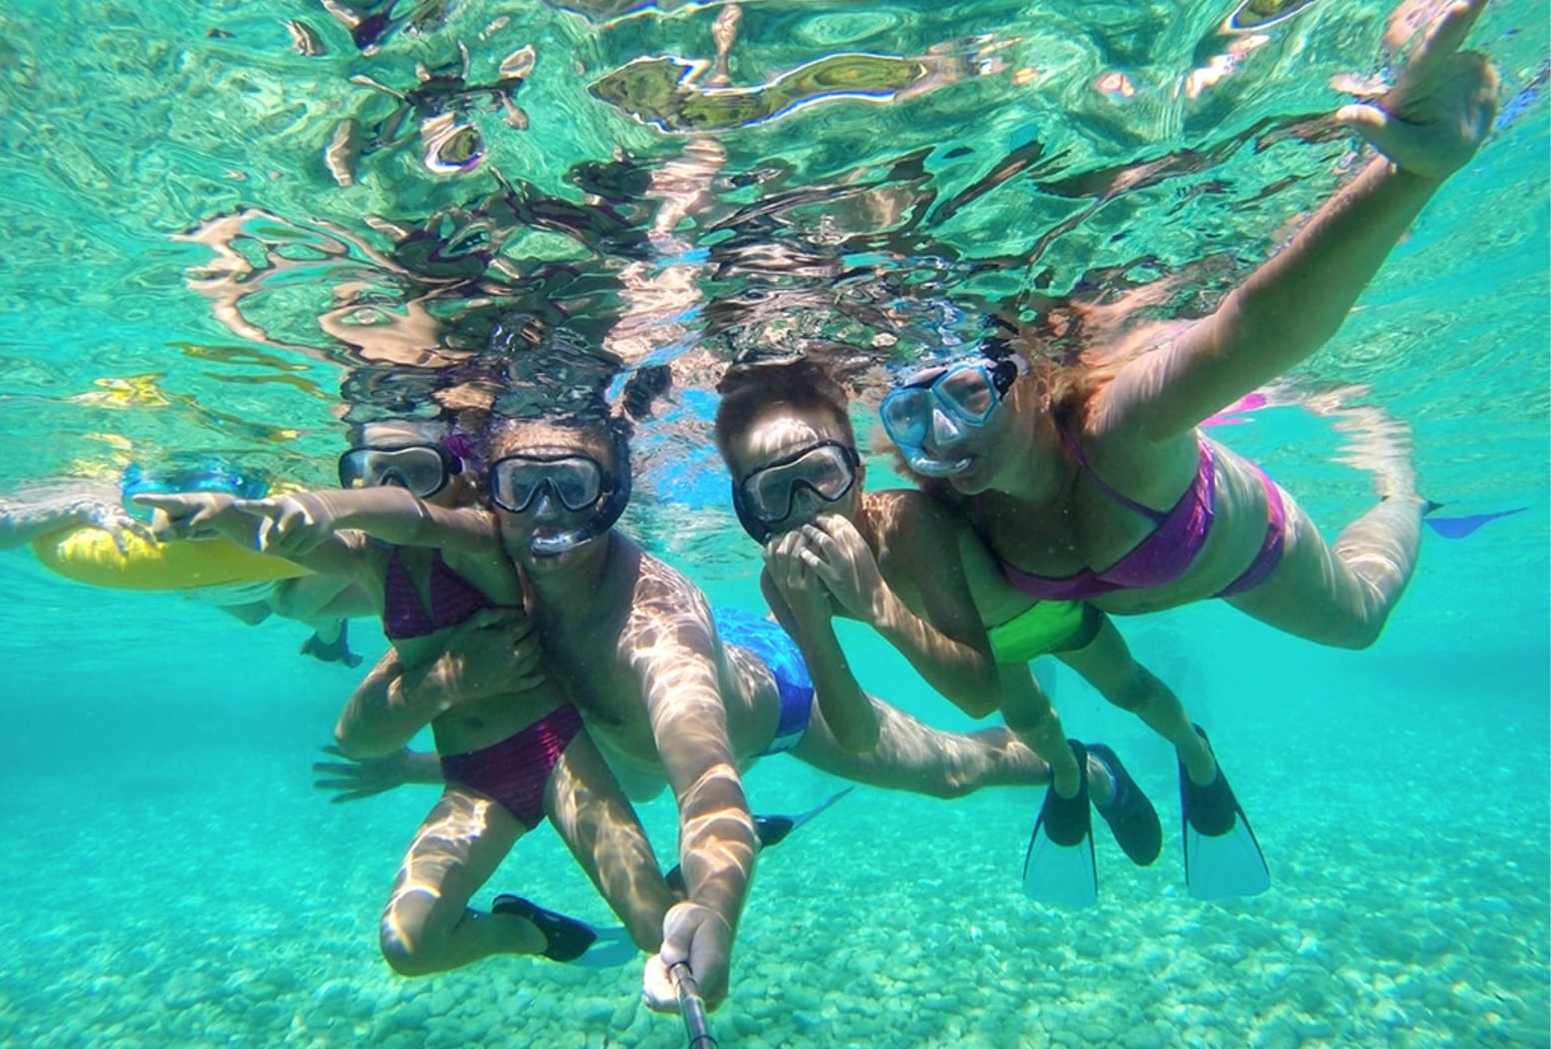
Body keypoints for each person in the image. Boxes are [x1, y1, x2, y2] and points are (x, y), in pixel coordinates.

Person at [875, 0, 1498, 890]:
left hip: (1239, 554)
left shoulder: (1117, 428)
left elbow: (1257, 328)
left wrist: (1406, 177)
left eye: (969, 392)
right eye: (909, 414)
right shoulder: (944, 503)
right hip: (1114, 609)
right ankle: (1129, 757)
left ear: (1032, 376)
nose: (941, 435)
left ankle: (1399, 492)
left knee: (1359, 621)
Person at [312, 402, 1138, 1013]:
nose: (546, 516)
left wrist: (714, 909)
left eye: (572, 487)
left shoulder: (659, 647)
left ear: (611, 496)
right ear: (485, 491)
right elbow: (527, 730)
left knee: (951, 772)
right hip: (714, 642)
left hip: (773, 688)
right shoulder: (491, 586)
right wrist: (425, 762)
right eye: (521, 488)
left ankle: (1079, 763)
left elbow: (707, 779)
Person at [135, 422, 678, 976]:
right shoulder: (371, 558)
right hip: (476, 779)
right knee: (410, 946)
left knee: (654, 931)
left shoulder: (478, 535)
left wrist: (332, 504)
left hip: (557, 757)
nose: (397, 486)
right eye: (378, 473)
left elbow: (418, 519)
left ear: (460, 479)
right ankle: (525, 930)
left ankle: (727, 854)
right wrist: (223, 512)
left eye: (419, 472)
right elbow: (279, 538)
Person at [715, 359, 1242, 904]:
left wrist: (877, 604)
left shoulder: (907, 527)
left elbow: (973, 694)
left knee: (1129, 687)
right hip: (986, 646)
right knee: (1030, 722)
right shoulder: (785, 582)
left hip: (1043, 611)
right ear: (750, 513)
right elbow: (858, 737)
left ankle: (1194, 753)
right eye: (773, 491)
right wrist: (814, 624)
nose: (807, 506)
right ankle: (1071, 773)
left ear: (859, 471)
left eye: (823, 473)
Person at [0, 467, 370, 667]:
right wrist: (78, 507)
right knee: (257, 613)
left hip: (286, 569)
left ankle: (331, 637)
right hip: (212, 583)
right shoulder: (124, 495)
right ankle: (329, 636)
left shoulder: (271, 488)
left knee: (293, 605)